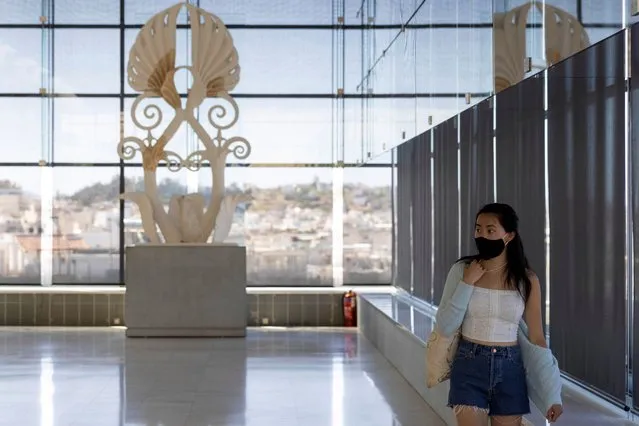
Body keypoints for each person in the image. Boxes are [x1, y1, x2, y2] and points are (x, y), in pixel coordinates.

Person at [436, 203, 563, 426]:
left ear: (509, 236)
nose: (482, 235)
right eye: (478, 229)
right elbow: (445, 326)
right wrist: (467, 282)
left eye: (490, 230)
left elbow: (537, 339)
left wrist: (552, 395)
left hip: (510, 369)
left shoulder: (527, 280)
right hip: (468, 365)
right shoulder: (461, 270)